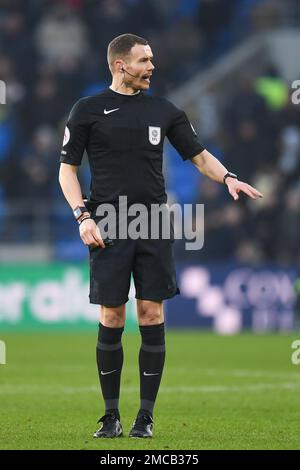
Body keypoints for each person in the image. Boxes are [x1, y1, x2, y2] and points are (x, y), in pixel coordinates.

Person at [58, 33, 263, 439]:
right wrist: (82, 216)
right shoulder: (87, 110)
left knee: (151, 313)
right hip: (109, 224)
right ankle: (111, 415)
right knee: (112, 315)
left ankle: (145, 417)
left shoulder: (165, 110)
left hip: (153, 223)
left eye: (151, 59)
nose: (152, 66)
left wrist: (228, 178)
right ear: (120, 65)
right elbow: (67, 170)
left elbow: (199, 156)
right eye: (144, 60)